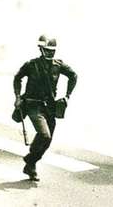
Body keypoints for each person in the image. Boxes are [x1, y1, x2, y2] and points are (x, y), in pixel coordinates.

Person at [13, 35, 77, 181]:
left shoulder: (58, 64)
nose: (50, 53)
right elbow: (17, 78)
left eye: (52, 51)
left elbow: (73, 76)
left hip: (49, 106)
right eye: (47, 50)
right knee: (44, 135)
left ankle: (31, 163)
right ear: (41, 49)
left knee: (47, 141)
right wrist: (17, 97)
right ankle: (30, 160)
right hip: (33, 104)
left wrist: (67, 96)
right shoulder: (32, 64)